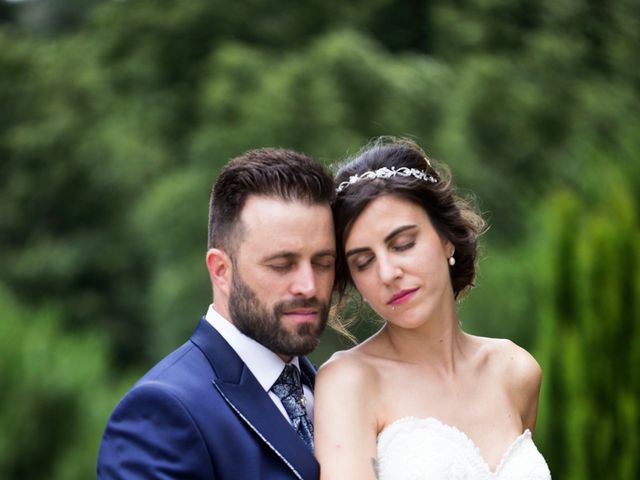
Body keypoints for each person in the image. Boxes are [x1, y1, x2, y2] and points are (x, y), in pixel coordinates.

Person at [314, 138, 551, 479]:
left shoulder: (516, 371)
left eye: (403, 244)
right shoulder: (350, 382)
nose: (388, 273)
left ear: (445, 238)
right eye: (363, 262)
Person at [97, 148, 337, 479]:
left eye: (323, 263)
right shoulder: (161, 413)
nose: (309, 286)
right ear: (221, 270)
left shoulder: (337, 392)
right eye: (282, 264)